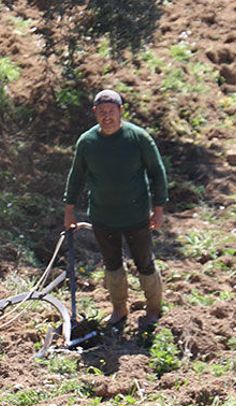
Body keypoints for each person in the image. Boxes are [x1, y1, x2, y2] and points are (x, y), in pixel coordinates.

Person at [63, 89, 168, 329]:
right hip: (103, 216)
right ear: (95, 113)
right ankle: (119, 309)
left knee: (144, 262)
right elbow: (76, 175)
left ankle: (153, 308)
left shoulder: (138, 138)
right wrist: (69, 209)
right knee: (112, 264)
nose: (107, 116)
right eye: (102, 112)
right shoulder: (87, 142)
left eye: (111, 111)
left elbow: (156, 171)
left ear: (121, 111)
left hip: (136, 215)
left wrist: (159, 208)